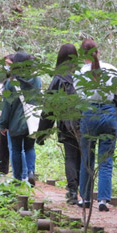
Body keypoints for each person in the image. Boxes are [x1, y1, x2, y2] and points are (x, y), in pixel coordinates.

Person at [76, 39, 117, 212]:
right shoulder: (111, 69)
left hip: (89, 114)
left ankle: (85, 198)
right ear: (97, 52)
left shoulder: (81, 72)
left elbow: (77, 94)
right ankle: (103, 200)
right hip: (108, 114)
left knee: (87, 158)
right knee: (106, 160)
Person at [38, 43, 82, 204]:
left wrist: (42, 133)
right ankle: (84, 193)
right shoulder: (83, 76)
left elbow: (49, 108)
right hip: (84, 123)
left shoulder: (58, 79)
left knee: (71, 157)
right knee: (84, 157)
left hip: (67, 124)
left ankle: (72, 193)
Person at [0, 51, 41, 185]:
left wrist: (3, 124)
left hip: (16, 122)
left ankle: (17, 179)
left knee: (17, 149)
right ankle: (31, 172)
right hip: (32, 121)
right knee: (30, 148)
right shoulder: (36, 79)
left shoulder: (12, 83)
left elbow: (7, 105)